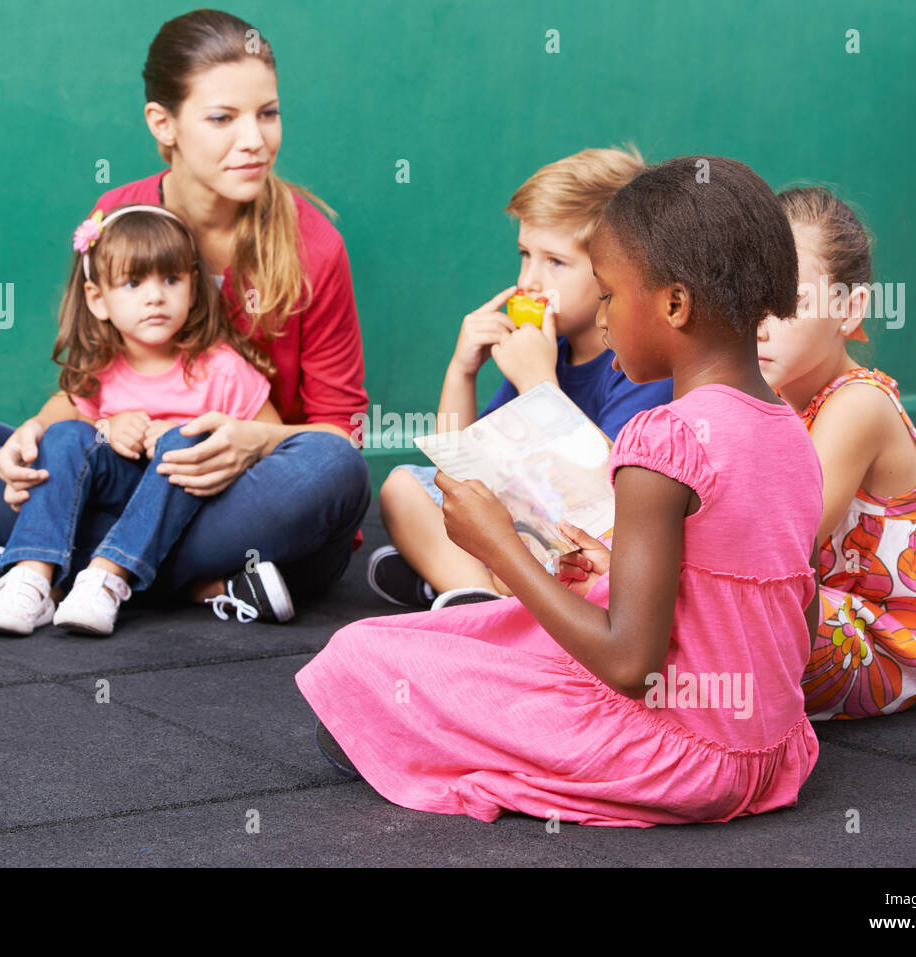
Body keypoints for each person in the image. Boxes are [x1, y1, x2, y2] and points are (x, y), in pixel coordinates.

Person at [297, 156, 825, 827]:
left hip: (678, 755)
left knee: (360, 656)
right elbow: (794, 617)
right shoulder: (791, 433)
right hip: (775, 750)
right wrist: (621, 570)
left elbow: (631, 664)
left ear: (674, 304)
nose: (602, 319)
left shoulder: (661, 439)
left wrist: (498, 546)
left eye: (608, 295)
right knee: (506, 625)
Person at [0, 10, 370, 622]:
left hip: (234, 500)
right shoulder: (118, 215)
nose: (255, 139)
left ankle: (41, 565)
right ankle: (178, 580)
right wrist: (33, 435)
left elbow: (342, 431)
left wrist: (257, 442)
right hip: (122, 477)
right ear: (164, 122)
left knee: (335, 471)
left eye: (268, 112)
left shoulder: (315, 247)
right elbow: (92, 382)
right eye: (222, 118)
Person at [369, 148, 672, 611]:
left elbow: (609, 501)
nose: (529, 280)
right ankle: (476, 598)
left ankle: (459, 585)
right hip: (528, 526)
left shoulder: (640, 364)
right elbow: (461, 474)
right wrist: (461, 370)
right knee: (404, 488)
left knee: (550, 552)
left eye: (555, 262)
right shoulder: (548, 348)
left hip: (593, 541)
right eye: (525, 255)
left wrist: (539, 384)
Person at [0, 204, 292, 636]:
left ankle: (106, 577)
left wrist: (195, 435)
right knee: (67, 435)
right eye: (132, 282)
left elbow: (276, 444)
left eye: (171, 279)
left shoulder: (221, 369)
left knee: (183, 441)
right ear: (97, 299)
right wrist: (102, 429)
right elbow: (51, 430)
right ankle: (30, 578)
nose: (155, 296)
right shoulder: (102, 368)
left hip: (197, 514)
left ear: (194, 288)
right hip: (115, 501)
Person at [758, 186, 916, 719]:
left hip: (881, 644)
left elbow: (783, 544)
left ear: (848, 310)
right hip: (818, 612)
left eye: (788, 300)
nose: (759, 321)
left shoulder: (859, 403)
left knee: (711, 601)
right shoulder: (773, 396)